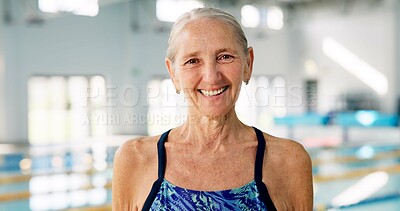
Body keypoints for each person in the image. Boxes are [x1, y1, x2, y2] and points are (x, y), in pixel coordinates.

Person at [112, 7, 313, 211]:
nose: (211, 76)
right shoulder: (134, 159)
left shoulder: (289, 161)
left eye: (225, 57)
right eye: (192, 61)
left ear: (248, 64)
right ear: (173, 74)